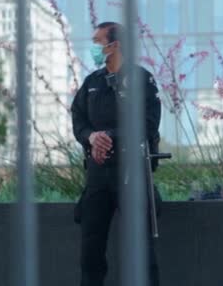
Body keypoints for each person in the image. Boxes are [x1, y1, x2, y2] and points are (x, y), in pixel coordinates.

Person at [71, 22, 162, 286]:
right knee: (90, 253)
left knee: (142, 252)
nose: (94, 47)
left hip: (132, 173)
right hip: (98, 177)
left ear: (115, 45)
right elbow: (78, 117)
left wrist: (109, 137)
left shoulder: (142, 80)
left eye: (98, 41)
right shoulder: (92, 82)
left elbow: (147, 123)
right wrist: (91, 137)